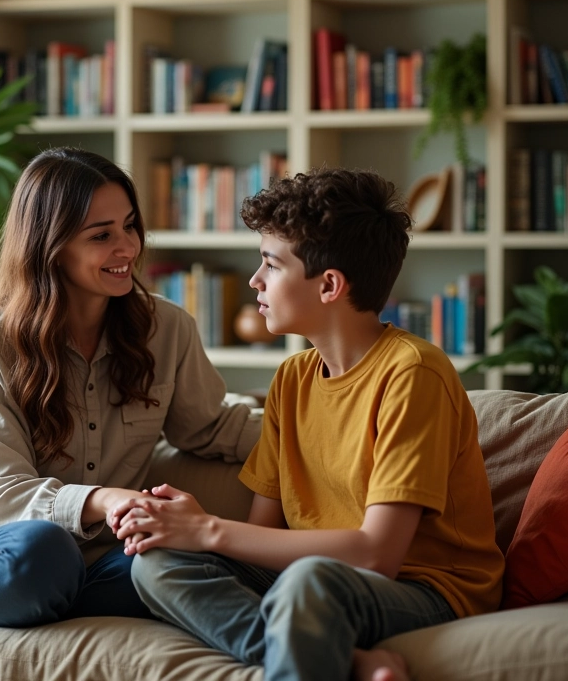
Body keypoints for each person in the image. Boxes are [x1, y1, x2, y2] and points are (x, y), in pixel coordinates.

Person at [112, 166, 505, 681]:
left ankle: (310, 640)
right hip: (309, 581)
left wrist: (208, 528)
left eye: (270, 265)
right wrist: (193, 533)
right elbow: (261, 535)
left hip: (426, 588)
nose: (255, 281)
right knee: (157, 563)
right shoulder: (293, 378)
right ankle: (350, 659)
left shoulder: (413, 373)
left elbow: (377, 554)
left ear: (330, 286)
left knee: (309, 582)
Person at [0, 147, 260, 627]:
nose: (127, 247)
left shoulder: (167, 329)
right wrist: (105, 499)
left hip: (101, 561)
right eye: (102, 235)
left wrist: (324, 433)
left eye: (129, 226)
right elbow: (3, 494)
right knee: (44, 550)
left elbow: (211, 425)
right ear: (52, 247)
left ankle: (56, 602)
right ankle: (45, 594)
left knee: (179, 560)